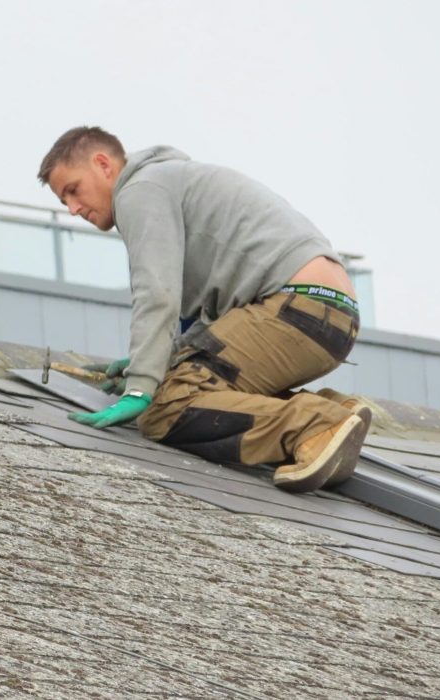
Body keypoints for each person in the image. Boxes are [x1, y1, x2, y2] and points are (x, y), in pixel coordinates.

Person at [38, 126, 369, 493]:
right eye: (63, 200)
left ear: (103, 164)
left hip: (295, 308)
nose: (72, 209)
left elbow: (157, 292)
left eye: (73, 190)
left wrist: (141, 388)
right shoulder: (171, 182)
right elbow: (200, 325)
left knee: (167, 407)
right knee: (194, 380)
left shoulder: (140, 190)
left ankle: (315, 425)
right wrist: (156, 362)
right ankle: (337, 412)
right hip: (331, 315)